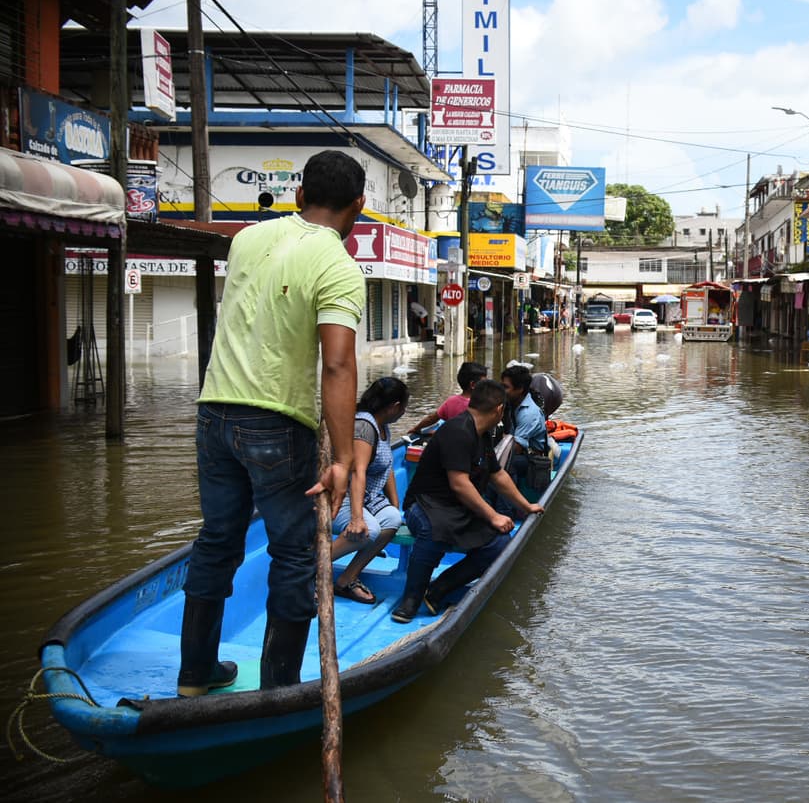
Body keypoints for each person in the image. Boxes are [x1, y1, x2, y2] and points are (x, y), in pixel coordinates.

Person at [177, 150, 366, 696]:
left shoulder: (246, 240)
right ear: (359, 206)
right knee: (295, 551)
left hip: (213, 413)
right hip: (276, 423)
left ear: (299, 195)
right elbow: (337, 364)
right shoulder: (339, 266)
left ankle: (194, 674)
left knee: (217, 541)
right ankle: (278, 687)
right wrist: (341, 458)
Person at [391, 379, 543, 622]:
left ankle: (439, 588)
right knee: (434, 532)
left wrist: (525, 505)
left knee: (500, 543)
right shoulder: (457, 431)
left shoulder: (481, 435)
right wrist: (493, 515)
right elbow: (459, 484)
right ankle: (411, 597)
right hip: (425, 505)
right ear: (499, 410)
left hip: (458, 508)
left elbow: (497, 475)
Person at [329, 377, 409, 605]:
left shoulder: (383, 427)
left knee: (392, 519)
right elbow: (358, 473)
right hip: (340, 498)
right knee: (368, 530)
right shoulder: (364, 426)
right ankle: (309, 569)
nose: (403, 412)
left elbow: (389, 468)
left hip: (366, 498)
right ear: (394, 406)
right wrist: (356, 519)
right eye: (403, 407)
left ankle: (347, 579)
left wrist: (395, 505)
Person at [500, 364, 549, 489]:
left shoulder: (529, 414)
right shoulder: (511, 404)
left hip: (531, 458)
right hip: (519, 452)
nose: (501, 390)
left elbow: (515, 449)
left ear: (520, 389)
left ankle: (505, 507)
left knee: (507, 463)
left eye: (505, 387)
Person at [408, 361, 487, 434]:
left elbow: (431, 418)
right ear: (473, 385)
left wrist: (416, 428)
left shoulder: (451, 401)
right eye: (484, 383)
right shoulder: (482, 404)